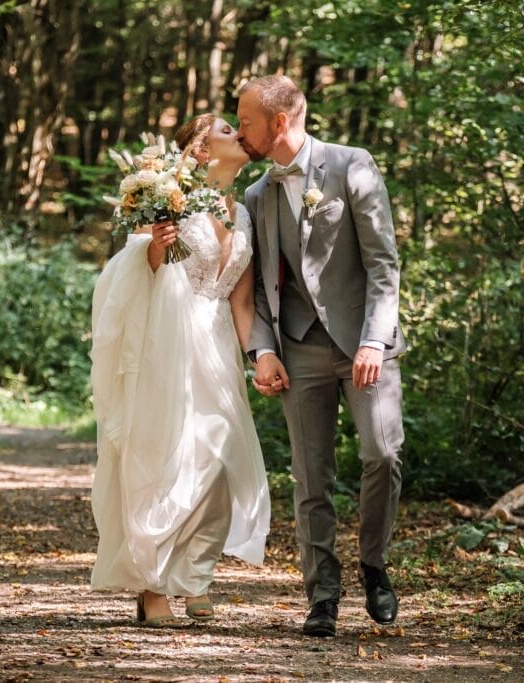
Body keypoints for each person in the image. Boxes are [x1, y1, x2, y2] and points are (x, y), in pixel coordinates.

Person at [236, 75, 406, 638]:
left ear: (279, 122)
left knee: (381, 453)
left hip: (364, 343)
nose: (241, 131)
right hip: (299, 346)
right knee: (311, 478)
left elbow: (383, 263)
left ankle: (374, 566)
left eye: (246, 122)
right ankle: (323, 598)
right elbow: (260, 286)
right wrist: (262, 349)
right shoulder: (257, 195)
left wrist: (374, 341)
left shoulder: (353, 165)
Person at [90, 114, 270, 627]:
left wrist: (259, 357)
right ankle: (152, 586)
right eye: (226, 128)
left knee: (217, 460)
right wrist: (155, 246)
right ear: (200, 148)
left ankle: (195, 576)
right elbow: (131, 270)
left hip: (216, 346)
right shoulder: (171, 199)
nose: (238, 132)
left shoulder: (244, 213)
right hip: (166, 338)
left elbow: (240, 300)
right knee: (165, 455)